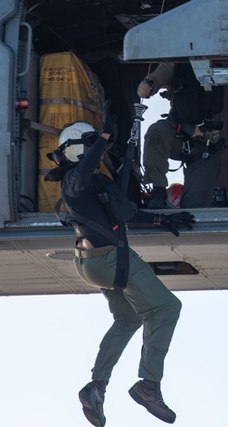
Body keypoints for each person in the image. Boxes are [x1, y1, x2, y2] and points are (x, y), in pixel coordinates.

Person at [47, 120, 195, 426]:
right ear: (79, 149)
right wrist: (103, 137)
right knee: (167, 308)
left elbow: (124, 215)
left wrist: (162, 220)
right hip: (109, 261)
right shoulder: (75, 182)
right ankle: (148, 385)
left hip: (92, 263)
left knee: (129, 318)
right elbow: (80, 177)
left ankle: (96, 386)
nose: (95, 153)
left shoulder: (93, 185)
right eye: (90, 146)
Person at [137, 62, 225, 208]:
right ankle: (157, 191)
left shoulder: (222, 61)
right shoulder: (177, 62)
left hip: (206, 145)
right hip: (177, 133)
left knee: (196, 208)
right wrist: (149, 84)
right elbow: (160, 75)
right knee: (156, 132)